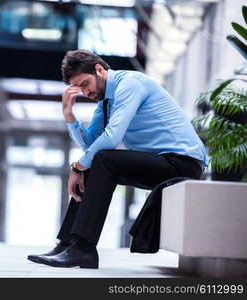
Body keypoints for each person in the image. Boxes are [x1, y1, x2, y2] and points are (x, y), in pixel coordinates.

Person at [27, 49, 208, 269]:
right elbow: (90, 146)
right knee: (95, 163)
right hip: (162, 162)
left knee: (102, 160)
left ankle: (83, 248)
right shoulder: (106, 101)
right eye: (79, 88)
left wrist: (77, 167)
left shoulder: (130, 84)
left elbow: (111, 138)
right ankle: (68, 244)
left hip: (183, 163)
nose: (85, 92)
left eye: (85, 84)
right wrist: (69, 115)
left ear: (99, 70)